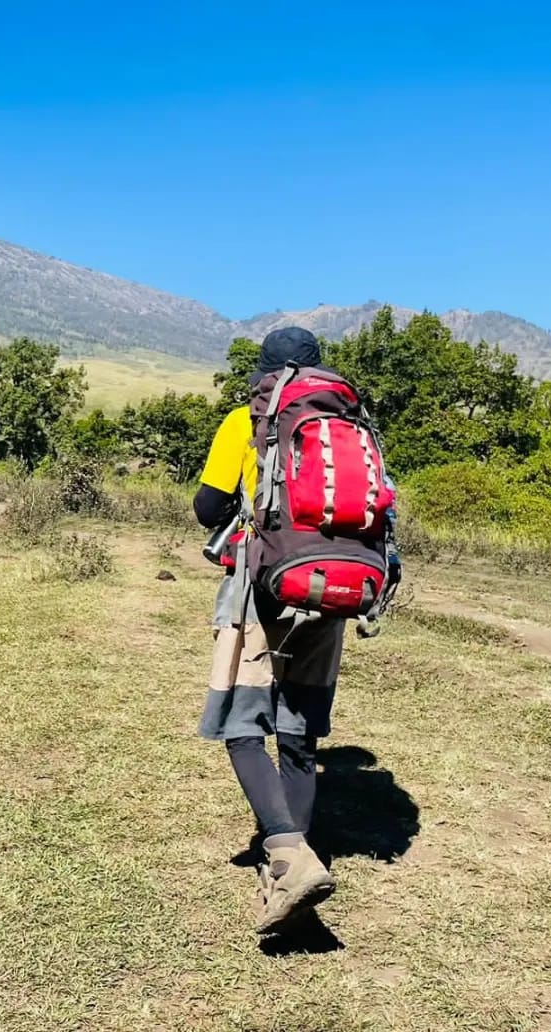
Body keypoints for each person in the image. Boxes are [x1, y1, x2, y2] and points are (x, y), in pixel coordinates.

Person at [194, 327, 342, 934]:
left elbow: (207, 507)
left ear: (264, 372)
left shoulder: (244, 420)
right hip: (330, 586)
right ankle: (292, 865)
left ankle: (287, 856)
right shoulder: (342, 423)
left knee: (242, 727)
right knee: (300, 738)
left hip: (263, 588)